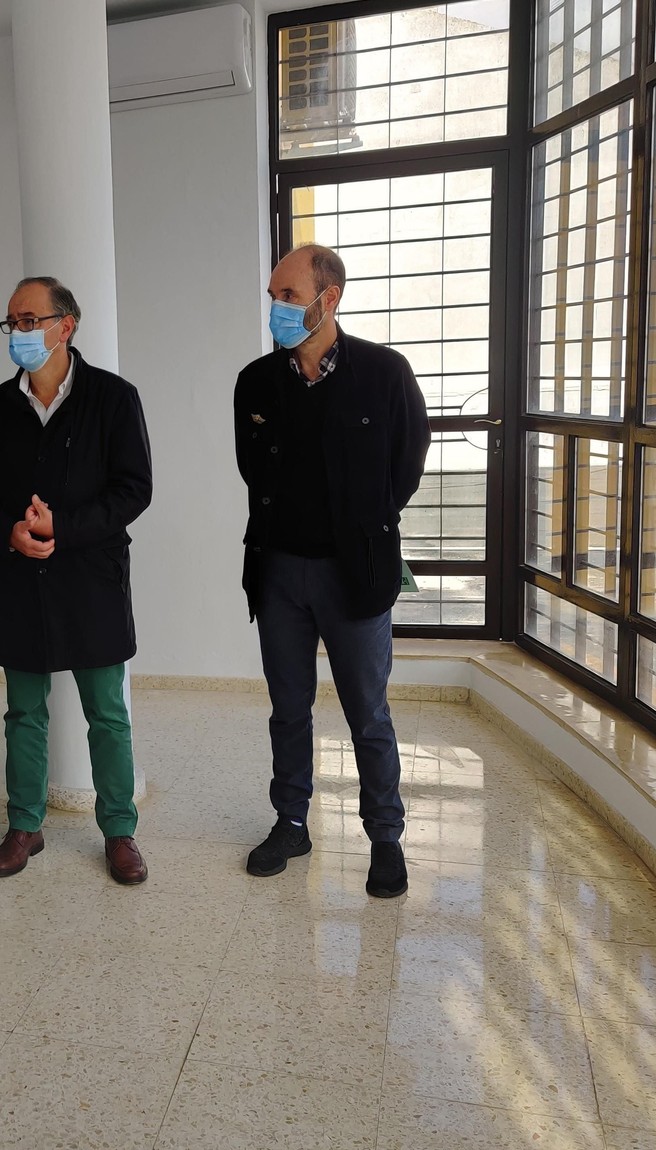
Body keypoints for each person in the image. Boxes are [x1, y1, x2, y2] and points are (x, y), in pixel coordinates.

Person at [235, 243, 431, 899]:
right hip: (279, 572)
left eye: (288, 296)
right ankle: (291, 822)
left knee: (367, 715)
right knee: (288, 710)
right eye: (273, 296)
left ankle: (385, 839)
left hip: (356, 575)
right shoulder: (256, 382)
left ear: (329, 298)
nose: (277, 308)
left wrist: (361, 525)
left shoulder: (384, 373)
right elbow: (251, 469)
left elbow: (406, 463)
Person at [0, 277, 153, 884]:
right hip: (20, 578)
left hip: (91, 578)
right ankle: (24, 825)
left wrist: (62, 528)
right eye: (11, 322)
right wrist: (9, 531)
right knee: (23, 712)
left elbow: (134, 490)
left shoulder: (114, 399)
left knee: (107, 713)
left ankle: (119, 833)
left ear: (64, 326)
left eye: (28, 320)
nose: (17, 331)